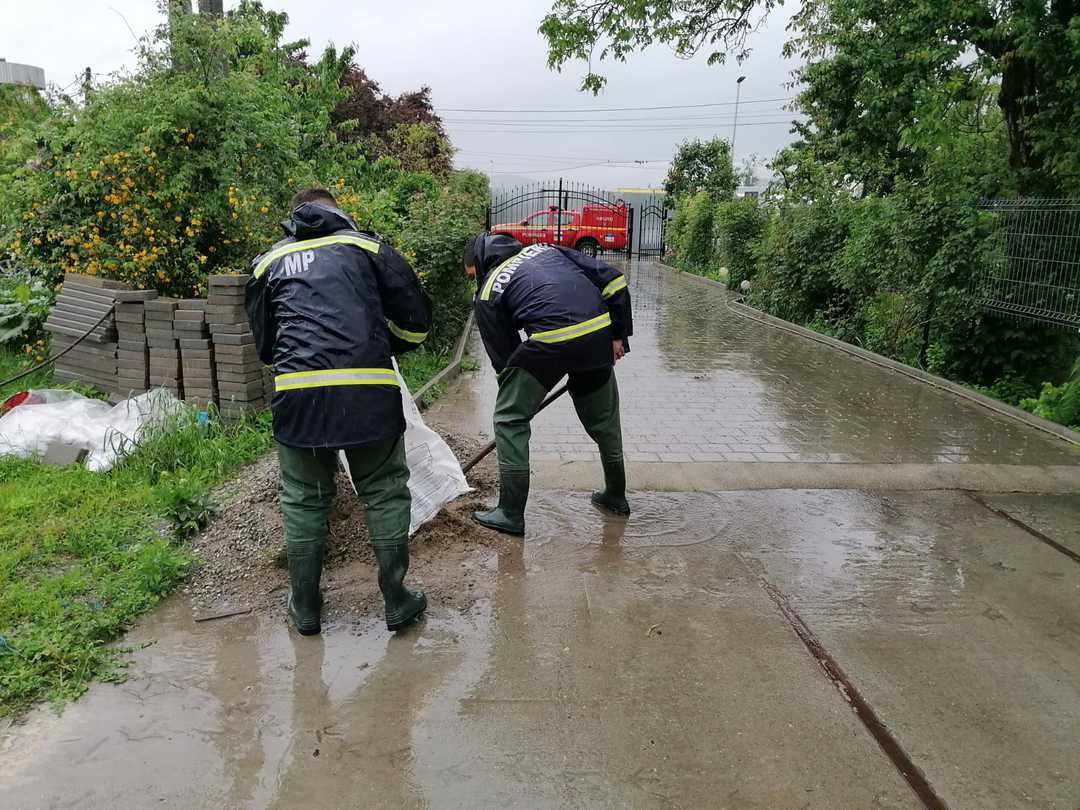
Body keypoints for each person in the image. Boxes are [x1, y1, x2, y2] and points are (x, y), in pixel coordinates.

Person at [247, 188, 432, 635]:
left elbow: (267, 346)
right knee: (385, 491)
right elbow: (417, 323)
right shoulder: (368, 248)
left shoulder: (266, 264)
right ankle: (396, 599)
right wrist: (382, 345)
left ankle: (306, 607)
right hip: (368, 393)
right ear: (339, 212)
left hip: (298, 398)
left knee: (303, 499)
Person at [463, 234, 633, 536]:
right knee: (605, 421)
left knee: (509, 419)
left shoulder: (488, 291)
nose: (474, 281)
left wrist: (519, 396)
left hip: (550, 342)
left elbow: (505, 361)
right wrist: (618, 335)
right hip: (598, 335)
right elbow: (615, 282)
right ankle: (615, 496)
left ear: (482, 263)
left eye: (472, 275)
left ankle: (511, 513)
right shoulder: (548, 250)